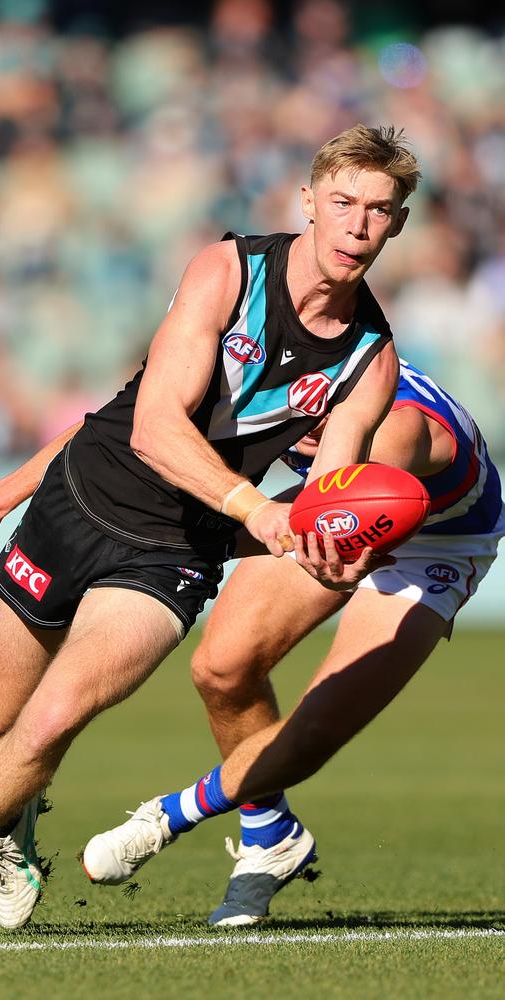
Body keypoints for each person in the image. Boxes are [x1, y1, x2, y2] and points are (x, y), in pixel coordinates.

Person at [0, 124, 419, 941]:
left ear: (399, 223)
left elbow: (323, 498)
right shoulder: (227, 270)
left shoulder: (371, 361)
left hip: (171, 555)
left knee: (52, 719)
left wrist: (328, 552)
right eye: (342, 202)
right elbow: (148, 426)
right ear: (308, 202)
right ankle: (6, 817)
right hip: (78, 500)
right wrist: (4, 493)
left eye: (380, 210)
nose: (357, 226)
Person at [81, 358, 505, 925]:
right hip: (330, 503)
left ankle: (169, 815)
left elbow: (355, 518)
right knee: (222, 670)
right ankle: (272, 834)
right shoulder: (252, 389)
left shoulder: (398, 429)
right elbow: (118, 429)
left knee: (318, 725)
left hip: (431, 540)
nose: (301, 425)